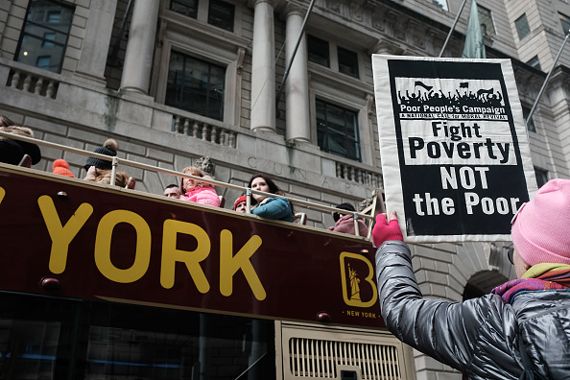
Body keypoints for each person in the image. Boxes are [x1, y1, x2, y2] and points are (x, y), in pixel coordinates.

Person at [372, 178, 570, 379]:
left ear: (530, 260)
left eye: (516, 250)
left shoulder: (492, 322)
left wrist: (390, 245)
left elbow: (400, 309)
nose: (513, 259)